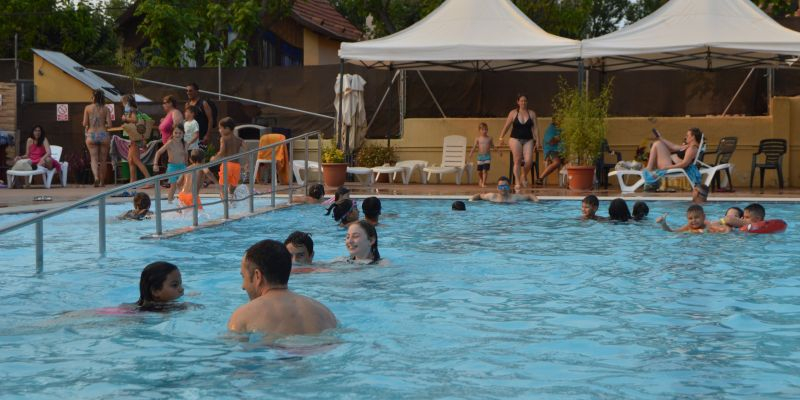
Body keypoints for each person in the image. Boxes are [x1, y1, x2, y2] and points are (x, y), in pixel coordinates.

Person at [228, 240, 337, 335]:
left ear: (257, 276)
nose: (243, 286)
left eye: (244, 276)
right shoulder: (326, 313)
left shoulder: (243, 316)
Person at [498, 94, 538, 191]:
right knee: (517, 160)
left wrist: (538, 141)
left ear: (527, 102)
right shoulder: (513, 113)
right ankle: (517, 182)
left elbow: (535, 128)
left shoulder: (532, 113)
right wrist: (501, 137)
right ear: (518, 102)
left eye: (525, 101)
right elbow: (506, 126)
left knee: (528, 161)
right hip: (515, 139)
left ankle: (523, 175)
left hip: (528, 139)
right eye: (521, 101)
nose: (523, 102)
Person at [120, 94, 152, 186]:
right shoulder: (134, 109)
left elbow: (134, 120)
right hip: (134, 137)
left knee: (136, 160)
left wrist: (125, 118)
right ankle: (133, 182)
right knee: (130, 160)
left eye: (123, 102)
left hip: (135, 138)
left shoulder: (131, 110)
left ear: (126, 102)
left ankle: (149, 180)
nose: (122, 104)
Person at [83, 89, 112, 187]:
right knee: (103, 159)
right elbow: (110, 124)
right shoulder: (106, 109)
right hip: (103, 134)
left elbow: (84, 123)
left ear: (93, 97)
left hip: (92, 134)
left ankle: (96, 177)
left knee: (94, 158)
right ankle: (102, 182)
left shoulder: (87, 108)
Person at [153, 124, 188, 202]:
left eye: (180, 133)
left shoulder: (185, 144)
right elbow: (158, 152)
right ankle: (169, 203)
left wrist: (186, 166)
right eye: (176, 133)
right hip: (172, 167)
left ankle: (182, 202)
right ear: (172, 133)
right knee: (173, 186)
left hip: (182, 167)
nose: (178, 135)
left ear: (183, 134)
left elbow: (186, 155)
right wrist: (155, 164)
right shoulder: (170, 143)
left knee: (182, 186)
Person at [211, 117, 243, 197]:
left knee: (222, 188)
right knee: (232, 190)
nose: (219, 130)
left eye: (220, 128)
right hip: (236, 166)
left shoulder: (223, 139)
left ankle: (225, 206)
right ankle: (232, 204)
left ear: (227, 128)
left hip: (227, 165)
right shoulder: (239, 140)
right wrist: (246, 164)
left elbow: (222, 151)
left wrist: (214, 158)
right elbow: (247, 150)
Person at [657, 204, 730, 233]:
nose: (693, 220)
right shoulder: (688, 227)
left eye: (697, 217)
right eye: (690, 218)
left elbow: (727, 229)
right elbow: (672, 231)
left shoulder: (709, 225)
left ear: (703, 217)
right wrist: (663, 224)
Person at [185, 83, 215, 147]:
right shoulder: (187, 104)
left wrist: (207, 135)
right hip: (190, 136)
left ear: (196, 91)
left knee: (200, 155)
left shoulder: (203, 103)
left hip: (202, 136)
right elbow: (186, 120)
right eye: (187, 91)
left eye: (190, 90)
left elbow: (210, 119)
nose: (188, 93)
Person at [470, 176, 539, 203]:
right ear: (497, 188)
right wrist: (471, 200)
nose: (503, 188)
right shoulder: (492, 196)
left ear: (509, 187)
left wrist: (536, 202)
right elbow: (479, 195)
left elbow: (530, 195)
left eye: (505, 186)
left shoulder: (515, 197)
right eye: (501, 187)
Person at [467, 122, 495, 188]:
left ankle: (483, 183)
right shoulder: (477, 139)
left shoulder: (490, 138)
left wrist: (498, 151)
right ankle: (481, 180)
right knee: (479, 171)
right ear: (479, 130)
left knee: (485, 171)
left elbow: (492, 146)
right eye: (482, 130)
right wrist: (471, 153)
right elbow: (474, 146)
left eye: (486, 129)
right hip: (480, 157)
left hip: (487, 157)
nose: (484, 131)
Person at [537, 117, 563, 185]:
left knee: (571, 162)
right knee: (557, 162)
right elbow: (551, 142)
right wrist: (559, 138)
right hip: (551, 150)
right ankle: (540, 178)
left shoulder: (561, 129)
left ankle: (569, 182)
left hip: (561, 151)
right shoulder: (551, 129)